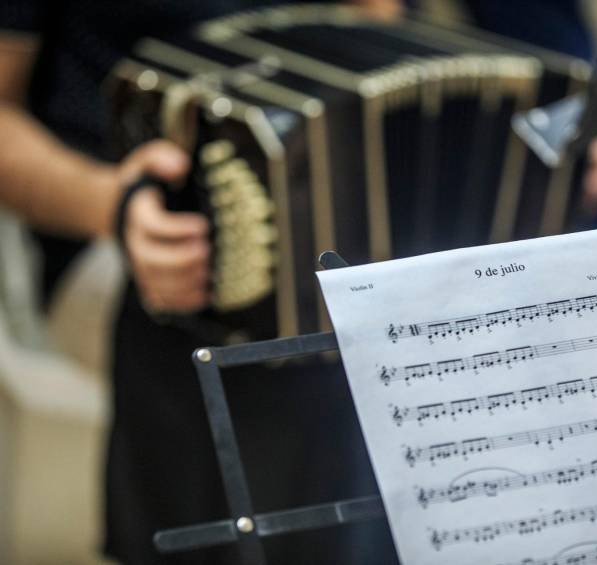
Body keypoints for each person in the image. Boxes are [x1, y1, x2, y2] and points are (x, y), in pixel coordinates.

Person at [0, 1, 400, 564]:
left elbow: (376, 31)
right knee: (235, 348)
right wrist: (111, 204)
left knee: (391, 333)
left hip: (322, 212)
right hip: (110, 217)